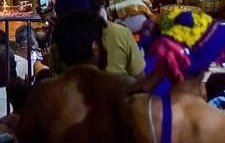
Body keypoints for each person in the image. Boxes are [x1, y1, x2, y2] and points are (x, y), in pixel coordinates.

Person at [122, 6, 225, 143]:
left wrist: (159, 72)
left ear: (166, 64)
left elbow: (122, 102)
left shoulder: (145, 110)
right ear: (207, 65)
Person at [16, 11, 137, 143]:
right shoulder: (125, 88)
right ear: (95, 46)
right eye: (102, 42)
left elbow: (24, 137)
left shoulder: (42, 94)